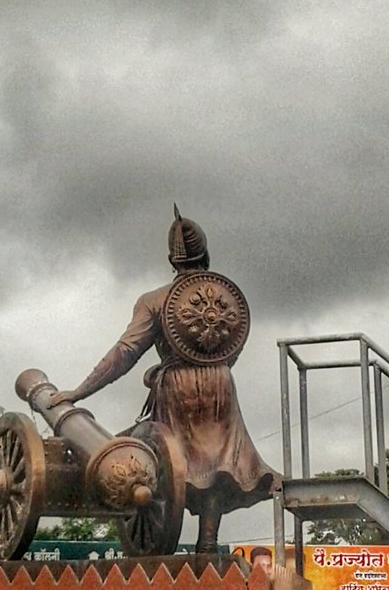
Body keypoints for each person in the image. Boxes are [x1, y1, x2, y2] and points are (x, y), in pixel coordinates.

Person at [47, 208, 277, 552]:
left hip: (178, 390)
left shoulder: (153, 300)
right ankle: (207, 544)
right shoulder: (226, 296)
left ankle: (170, 529)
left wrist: (81, 391)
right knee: (218, 464)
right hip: (221, 385)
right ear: (206, 255)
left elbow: (125, 352)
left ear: (172, 260)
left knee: (174, 461)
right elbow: (232, 349)